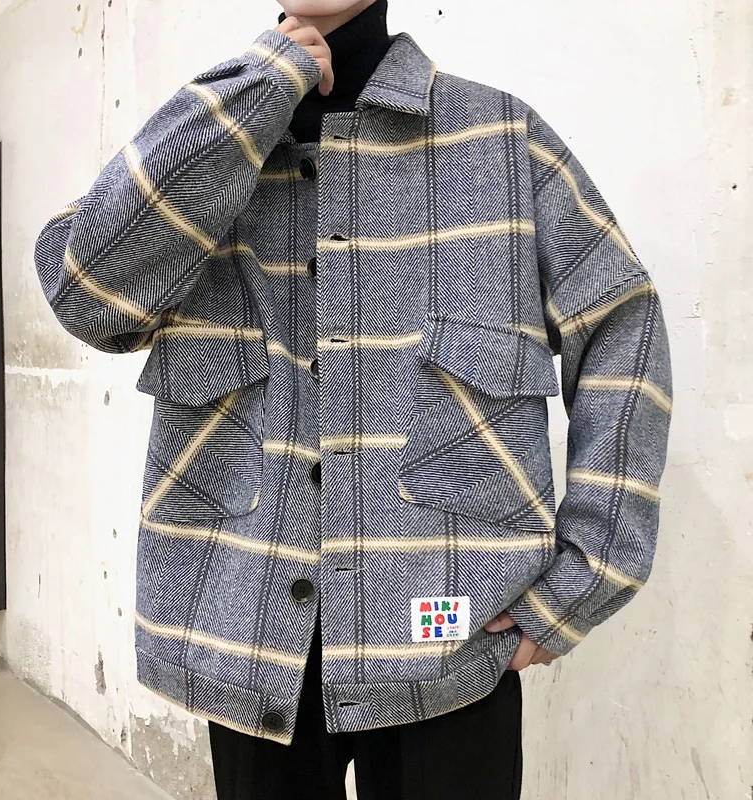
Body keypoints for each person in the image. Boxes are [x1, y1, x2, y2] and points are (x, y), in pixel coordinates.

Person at [33, 1, 673, 797]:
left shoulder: (505, 144)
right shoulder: (198, 150)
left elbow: (622, 321)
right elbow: (85, 296)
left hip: (449, 636)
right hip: (245, 637)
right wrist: (256, 86)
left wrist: (588, 572)